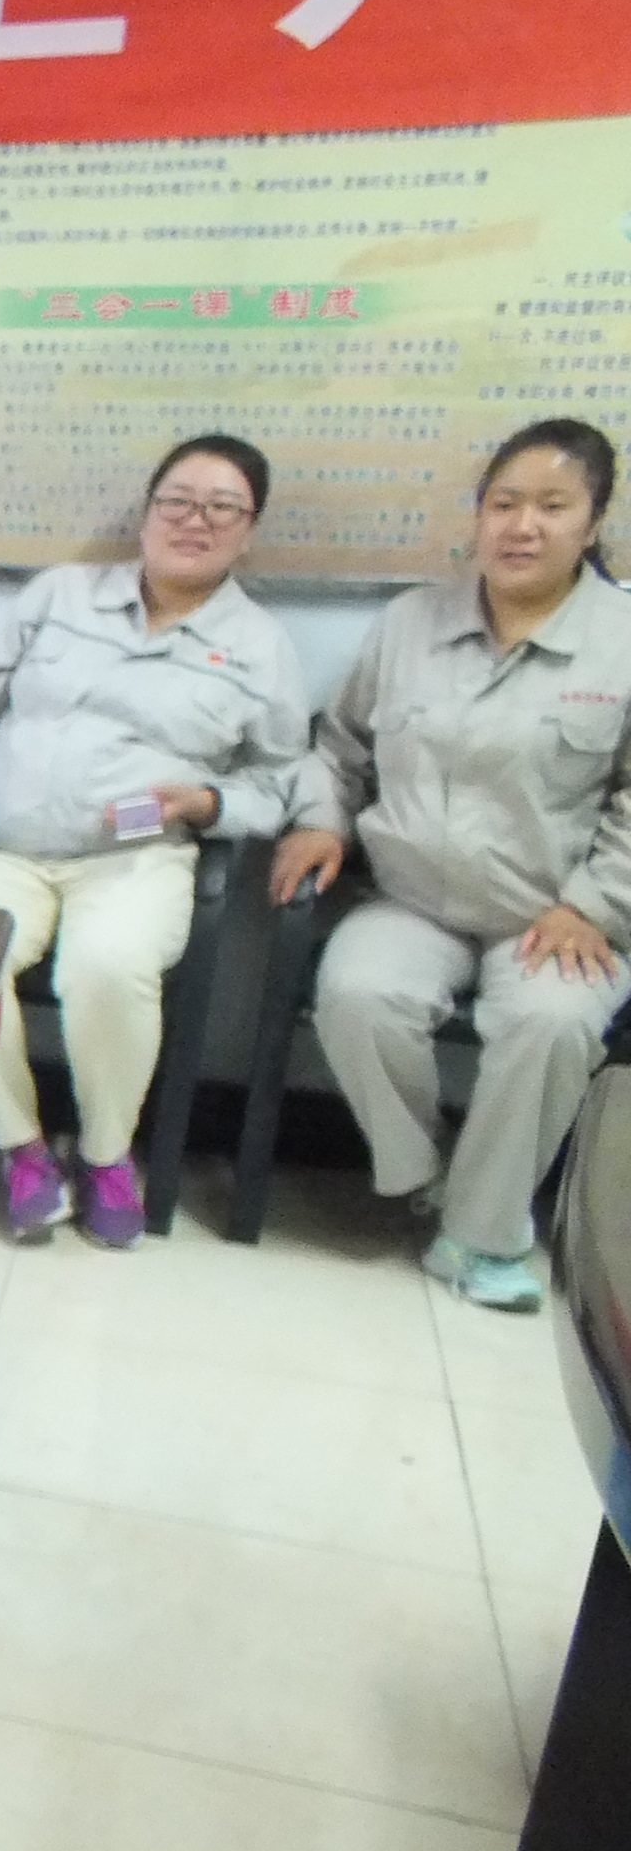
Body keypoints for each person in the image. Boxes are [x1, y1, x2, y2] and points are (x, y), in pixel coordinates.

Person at [0, 434, 310, 1249]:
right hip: (9, 850)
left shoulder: (261, 646)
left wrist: (208, 801)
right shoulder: (59, 595)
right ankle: (21, 1148)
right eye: (177, 501)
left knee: (108, 964)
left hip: (137, 858)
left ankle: (105, 1156)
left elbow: (278, 781)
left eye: (222, 508)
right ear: (147, 513)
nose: (195, 521)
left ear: (249, 531)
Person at [276, 418, 631, 1311]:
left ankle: (481, 1237)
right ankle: (429, 1178)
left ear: (593, 523)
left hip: (555, 914)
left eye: (553, 506)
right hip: (411, 900)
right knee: (357, 996)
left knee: (551, 1024)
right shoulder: (412, 621)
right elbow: (340, 746)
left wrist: (597, 904)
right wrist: (321, 822)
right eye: (504, 503)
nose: (523, 526)